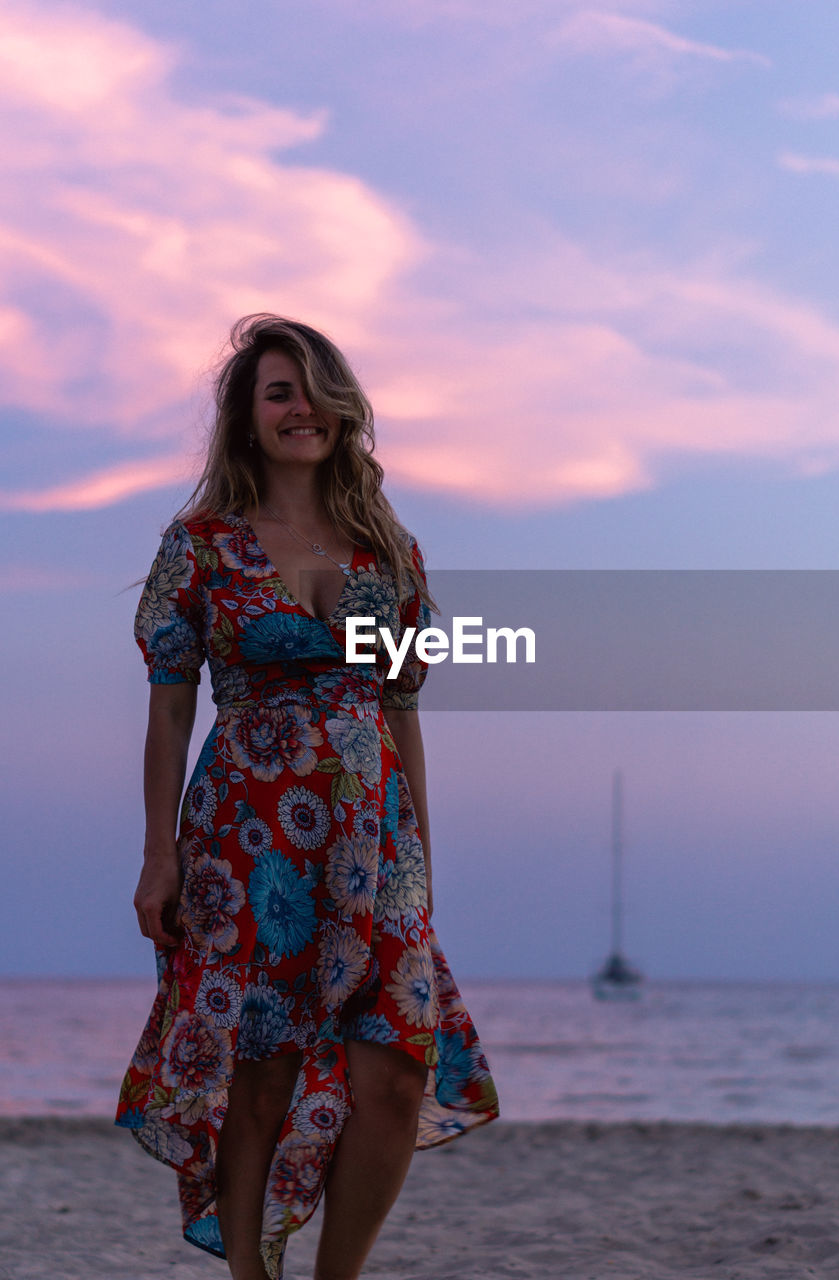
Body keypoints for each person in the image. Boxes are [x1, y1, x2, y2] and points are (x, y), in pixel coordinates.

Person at [115, 315, 499, 1280]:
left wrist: (417, 858)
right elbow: (168, 716)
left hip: (376, 839)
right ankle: (250, 1274)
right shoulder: (201, 545)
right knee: (262, 1068)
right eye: (278, 391)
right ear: (247, 417)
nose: (302, 408)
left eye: (316, 389)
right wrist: (159, 855)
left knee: (398, 1070)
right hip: (247, 832)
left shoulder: (387, 547)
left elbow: (401, 708)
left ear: (344, 409)